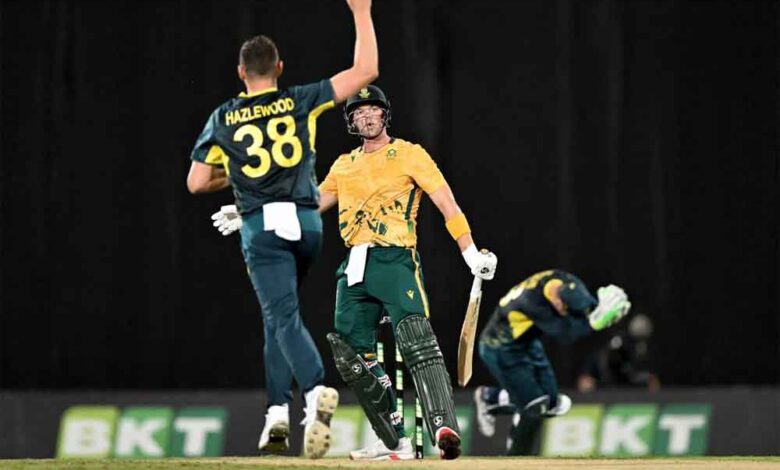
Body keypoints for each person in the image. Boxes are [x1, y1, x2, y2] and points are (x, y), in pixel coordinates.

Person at [185, 0, 379, 459]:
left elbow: (196, 182)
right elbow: (365, 71)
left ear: (241, 72)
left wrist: (237, 176)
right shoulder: (299, 100)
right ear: (280, 68)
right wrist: (361, 12)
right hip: (308, 224)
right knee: (277, 314)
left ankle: (313, 391)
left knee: (283, 316)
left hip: (263, 227)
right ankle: (275, 413)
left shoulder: (223, 117)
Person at [319, 85, 498, 460]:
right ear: (351, 122)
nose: (367, 116)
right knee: (351, 352)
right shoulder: (343, 165)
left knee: (416, 338)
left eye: (373, 110)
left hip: (395, 259)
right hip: (355, 264)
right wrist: (255, 214)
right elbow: (310, 204)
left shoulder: (409, 154)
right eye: (359, 112)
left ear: (385, 114)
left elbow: (447, 203)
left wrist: (469, 252)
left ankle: (443, 427)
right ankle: (393, 439)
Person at [472, 269, 631, 455]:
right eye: (560, 304)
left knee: (552, 403)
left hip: (527, 342)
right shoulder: (532, 302)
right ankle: (515, 458)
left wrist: (601, 309)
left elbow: (585, 305)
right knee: (535, 404)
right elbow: (567, 334)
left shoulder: (569, 282)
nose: (563, 310)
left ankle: (490, 398)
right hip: (499, 347)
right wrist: (595, 323)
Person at [576, 313, 660, 393]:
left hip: (631, 393)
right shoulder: (599, 357)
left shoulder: (636, 355)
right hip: (605, 392)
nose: (617, 356)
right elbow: (584, 382)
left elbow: (651, 382)